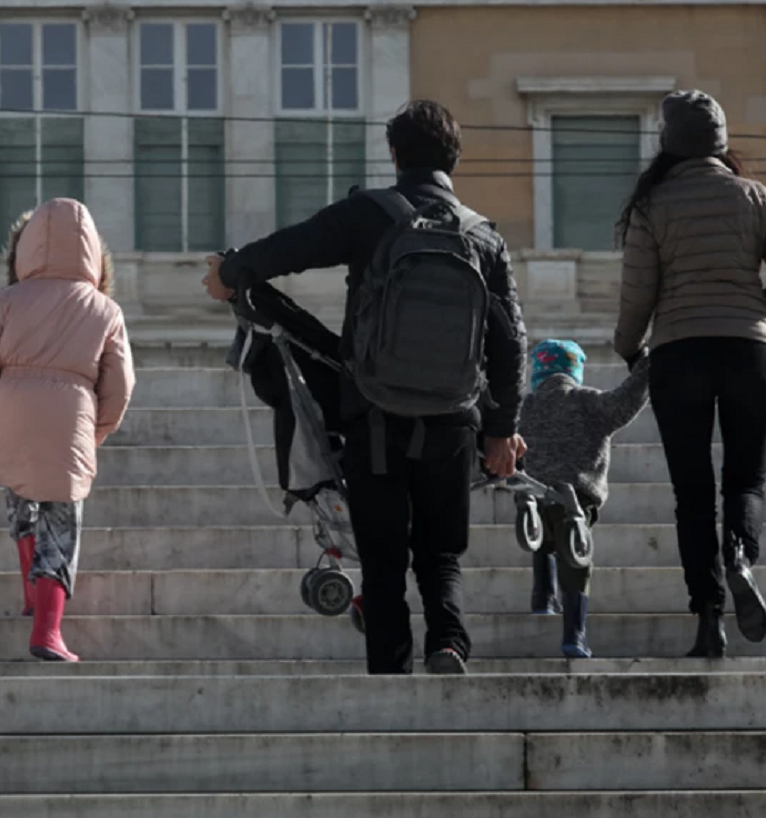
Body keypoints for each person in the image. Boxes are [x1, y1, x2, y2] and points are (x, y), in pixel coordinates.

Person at [203, 100, 529, 675]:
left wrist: (231, 274)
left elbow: (289, 249)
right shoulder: (483, 238)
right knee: (441, 554)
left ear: (395, 154)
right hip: (454, 418)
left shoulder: (368, 214)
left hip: (373, 415)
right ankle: (448, 643)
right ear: (454, 159)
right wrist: (503, 429)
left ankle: (390, 677)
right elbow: (511, 341)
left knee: (383, 561)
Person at [614, 90, 766, 659]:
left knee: (692, 493)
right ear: (722, 141)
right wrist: (753, 315)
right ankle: (741, 556)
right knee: (746, 480)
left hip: (679, 352)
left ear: (668, 144)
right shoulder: (755, 196)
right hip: (751, 351)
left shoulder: (654, 204)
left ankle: (708, 621)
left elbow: (637, 293)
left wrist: (629, 348)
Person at [0, 198, 135, 663]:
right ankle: (48, 630)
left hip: (11, 406)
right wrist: (96, 432)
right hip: (71, 413)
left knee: (22, 502)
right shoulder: (104, 309)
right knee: (61, 521)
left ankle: (29, 593)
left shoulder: (9, 300)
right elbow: (120, 385)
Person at [518, 339, 651, 658]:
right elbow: (625, 402)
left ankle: (543, 595)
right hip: (576, 499)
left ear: (537, 372)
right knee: (575, 561)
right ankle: (574, 635)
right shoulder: (589, 401)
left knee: (540, 533)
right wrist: (646, 368)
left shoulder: (525, 406)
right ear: (574, 371)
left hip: (534, 491)